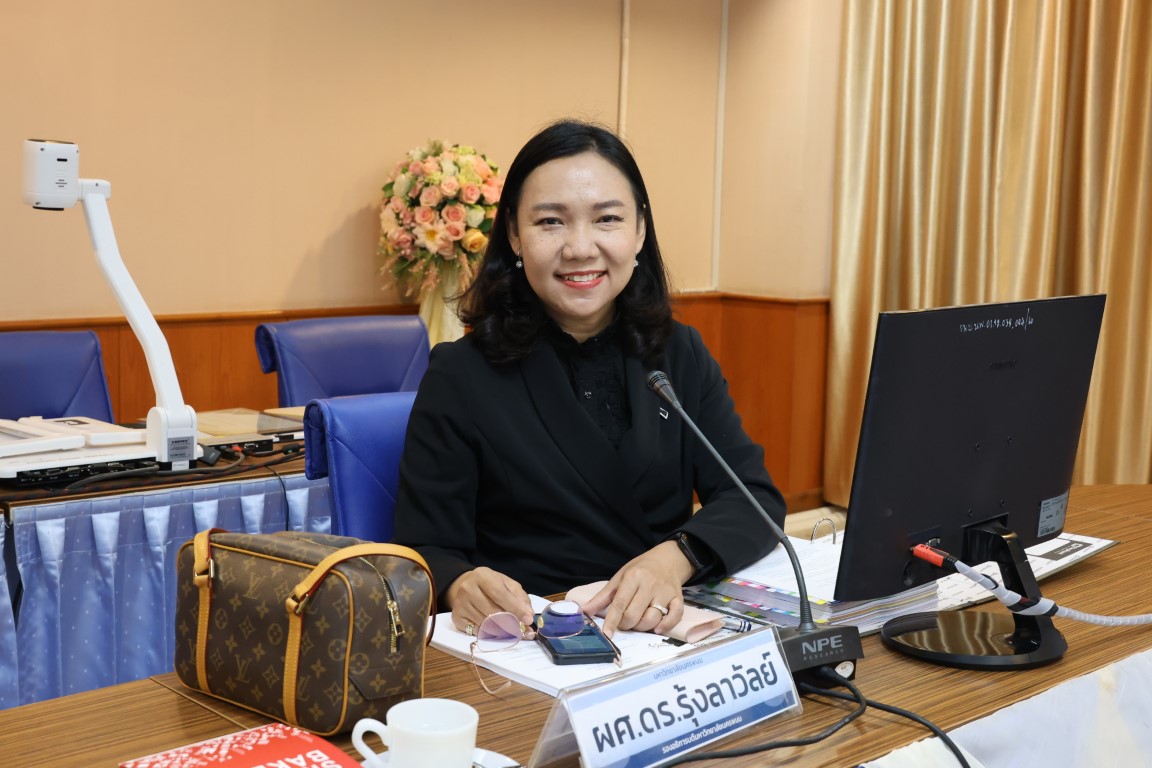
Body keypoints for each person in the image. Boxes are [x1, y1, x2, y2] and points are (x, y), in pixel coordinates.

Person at [392, 119, 786, 639]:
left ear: (639, 231)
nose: (580, 248)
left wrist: (675, 558)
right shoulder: (461, 374)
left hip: (664, 632)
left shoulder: (679, 352)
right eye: (551, 222)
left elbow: (753, 498)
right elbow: (424, 549)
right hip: (539, 643)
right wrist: (458, 583)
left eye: (607, 219)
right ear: (514, 234)